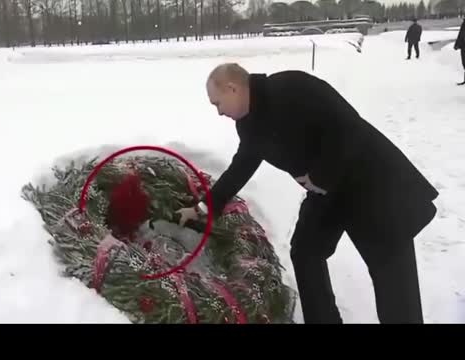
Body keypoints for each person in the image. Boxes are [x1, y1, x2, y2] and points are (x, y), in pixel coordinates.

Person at [176, 63, 439, 324]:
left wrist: (318, 176)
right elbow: (241, 167)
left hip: (371, 186)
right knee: (306, 250)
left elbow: (348, 128)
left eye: (217, 103)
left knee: (391, 272)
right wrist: (202, 208)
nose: (219, 112)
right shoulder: (249, 125)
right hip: (328, 194)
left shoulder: (292, 87)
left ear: (233, 88)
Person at [455, 17, 465, 86]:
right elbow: (460, 34)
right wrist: (457, 44)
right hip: (463, 46)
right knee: (464, 63)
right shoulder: (463, 24)